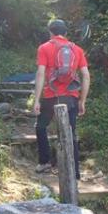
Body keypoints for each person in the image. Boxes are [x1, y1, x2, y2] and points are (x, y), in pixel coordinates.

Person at [33, 19, 90, 179]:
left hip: (51, 96)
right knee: (70, 133)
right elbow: (85, 76)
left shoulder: (44, 48)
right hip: (71, 97)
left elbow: (41, 73)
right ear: (65, 33)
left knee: (41, 127)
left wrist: (37, 99)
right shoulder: (77, 50)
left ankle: (44, 162)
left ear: (50, 32)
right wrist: (82, 100)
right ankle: (75, 171)